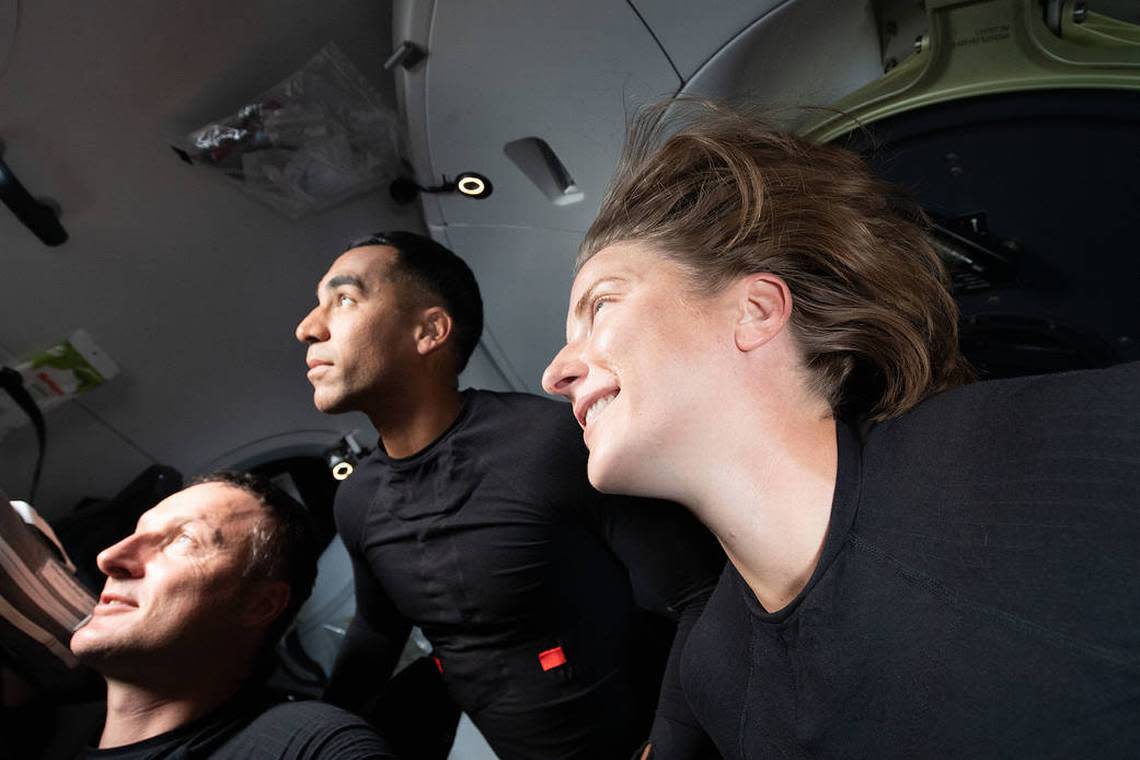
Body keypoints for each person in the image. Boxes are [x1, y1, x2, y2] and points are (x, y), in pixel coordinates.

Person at [541, 103, 1140, 759]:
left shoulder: (1051, 446)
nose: (554, 373)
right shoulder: (714, 669)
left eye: (599, 307)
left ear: (756, 310)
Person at [295, 231, 722, 759]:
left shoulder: (550, 443)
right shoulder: (357, 501)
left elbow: (697, 596)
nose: (308, 328)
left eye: (343, 299)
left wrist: (673, 745)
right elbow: (376, 633)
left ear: (429, 330)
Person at [69, 471, 396, 759]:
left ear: (260, 605)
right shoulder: (42, 734)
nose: (109, 557)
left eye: (184, 540)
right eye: (135, 533)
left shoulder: (307, 743)